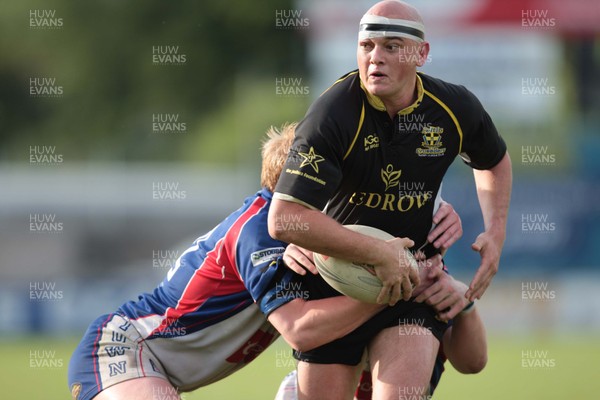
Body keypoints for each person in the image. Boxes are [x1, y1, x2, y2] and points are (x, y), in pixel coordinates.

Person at [67, 122, 463, 400]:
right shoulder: (261, 231)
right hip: (127, 348)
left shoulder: (306, 231)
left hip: (160, 364)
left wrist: (438, 210)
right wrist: (390, 290)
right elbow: (300, 332)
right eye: (329, 176)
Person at [268, 1, 512, 398]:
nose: (375, 58)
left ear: (421, 54)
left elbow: (494, 160)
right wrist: (379, 253)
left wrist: (496, 231)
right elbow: (283, 219)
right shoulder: (332, 114)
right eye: (367, 46)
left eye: (392, 46)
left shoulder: (454, 107)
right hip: (336, 285)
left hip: (410, 288)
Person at [274, 266, 488, 400]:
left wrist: (465, 302)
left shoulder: (428, 279)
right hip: (308, 388)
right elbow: (300, 331)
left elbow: (472, 363)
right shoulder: (328, 274)